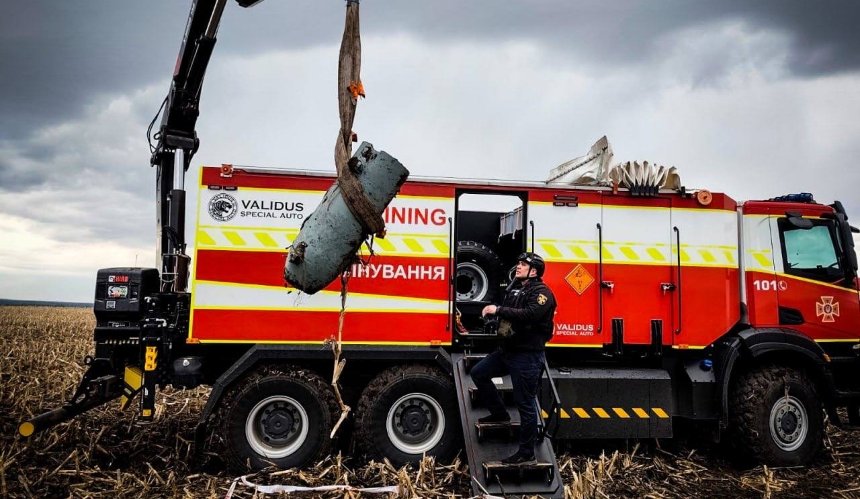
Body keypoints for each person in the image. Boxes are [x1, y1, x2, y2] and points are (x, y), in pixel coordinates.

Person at [471, 251, 557, 465]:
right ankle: (500, 413)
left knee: (525, 404)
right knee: (478, 373)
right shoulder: (516, 289)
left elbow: (530, 315)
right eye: (518, 263)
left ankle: (526, 453)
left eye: (523, 264)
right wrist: (495, 320)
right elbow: (510, 316)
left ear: (534, 271)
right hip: (507, 351)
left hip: (527, 356)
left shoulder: (542, 293)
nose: (518, 266)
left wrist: (497, 309)